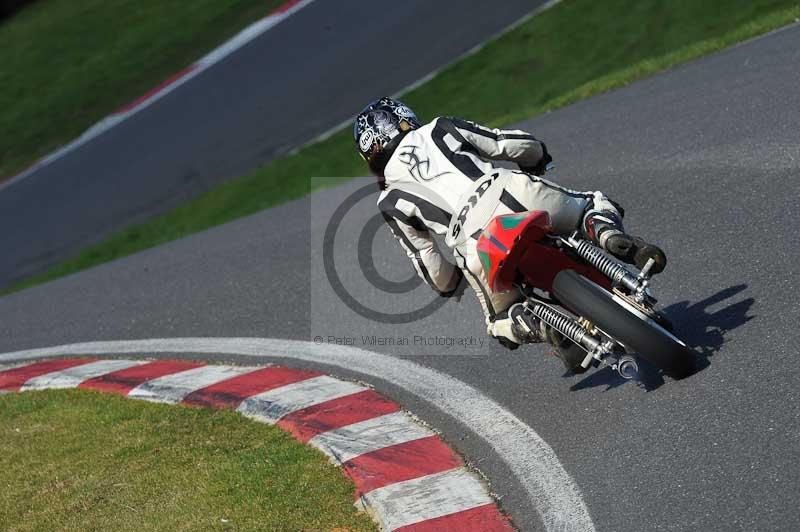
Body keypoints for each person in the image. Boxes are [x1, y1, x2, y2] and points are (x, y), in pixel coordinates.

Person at [354, 97, 666, 372]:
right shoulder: (440, 128)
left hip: (472, 244)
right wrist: (537, 157)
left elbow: (430, 265)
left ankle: (537, 325)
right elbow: (507, 143)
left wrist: (451, 282)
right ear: (403, 118)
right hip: (511, 194)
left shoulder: (390, 201)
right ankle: (606, 233)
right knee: (591, 204)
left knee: (498, 318)